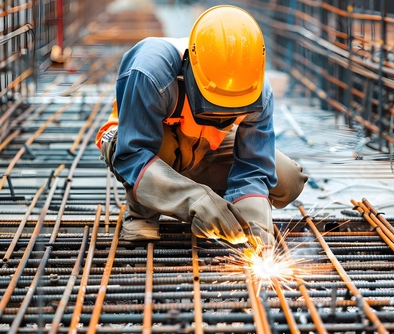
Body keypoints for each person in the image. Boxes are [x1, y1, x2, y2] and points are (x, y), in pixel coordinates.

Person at [96, 5, 308, 251]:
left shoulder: (257, 88)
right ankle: (142, 213)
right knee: (159, 147)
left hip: (204, 149)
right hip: (142, 147)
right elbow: (132, 155)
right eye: (214, 108)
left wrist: (254, 218)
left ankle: (220, 208)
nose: (221, 118)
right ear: (191, 72)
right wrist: (193, 199)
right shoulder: (150, 71)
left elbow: (254, 167)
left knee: (288, 179)